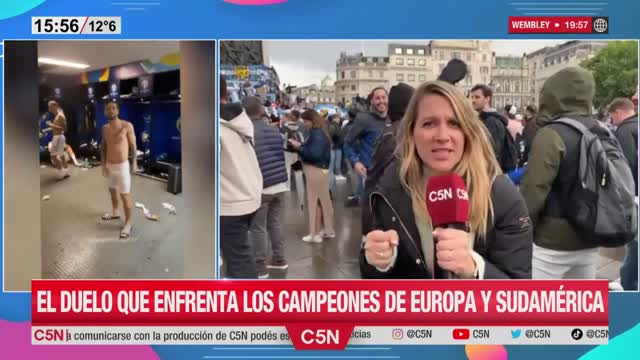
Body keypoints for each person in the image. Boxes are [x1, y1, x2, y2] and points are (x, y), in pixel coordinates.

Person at [360, 81, 532, 279]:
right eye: (429, 123)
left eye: (454, 123)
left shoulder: (501, 195)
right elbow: (374, 283)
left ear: (468, 132)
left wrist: (474, 268)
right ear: (412, 132)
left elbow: (519, 297)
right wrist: (377, 261)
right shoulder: (391, 188)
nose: (442, 136)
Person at [520, 67, 603, 280]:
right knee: (581, 306)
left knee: (538, 306)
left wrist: (521, 229)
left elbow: (534, 189)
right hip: (591, 235)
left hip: (552, 242)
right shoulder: (602, 129)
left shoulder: (551, 133)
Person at [219, 76, 263, 278]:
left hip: (229, 204)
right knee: (237, 256)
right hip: (248, 197)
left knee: (239, 260)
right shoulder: (238, 120)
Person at [243, 97, 290, 279]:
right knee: (275, 223)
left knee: (258, 228)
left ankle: (260, 267)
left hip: (262, 186)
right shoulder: (274, 130)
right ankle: (279, 259)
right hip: (279, 184)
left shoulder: (247, 131)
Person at [362, 82, 415, 235]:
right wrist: (368, 231)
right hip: (394, 219)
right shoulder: (395, 137)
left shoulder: (403, 132)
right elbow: (373, 186)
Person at [288, 109, 335, 243]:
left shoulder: (316, 134)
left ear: (311, 120)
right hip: (322, 170)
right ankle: (327, 230)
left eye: (305, 121)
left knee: (314, 203)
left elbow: (314, 154)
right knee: (323, 202)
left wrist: (299, 148)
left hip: (314, 170)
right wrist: (302, 146)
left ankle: (314, 234)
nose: (304, 124)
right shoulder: (321, 132)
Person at [608, 97, 638, 291]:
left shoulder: (625, 131)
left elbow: (624, 167)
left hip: (634, 195)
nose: (611, 121)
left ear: (619, 112)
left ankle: (628, 282)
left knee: (634, 242)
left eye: (612, 116)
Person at [343, 87, 389, 206]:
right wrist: (355, 162)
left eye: (383, 97)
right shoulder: (363, 119)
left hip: (389, 174)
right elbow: (347, 142)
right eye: (377, 98)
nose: (381, 101)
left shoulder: (393, 118)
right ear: (372, 101)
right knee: (371, 212)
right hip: (370, 174)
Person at [99, 101, 138, 239]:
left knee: (125, 195)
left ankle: (128, 223)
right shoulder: (105, 128)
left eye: (113, 108)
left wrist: (134, 162)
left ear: (118, 110)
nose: (111, 110)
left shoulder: (127, 126)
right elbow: (102, 147)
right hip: (110, 165)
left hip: (122, 166)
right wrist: (103, 164)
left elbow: (133, 146)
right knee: (112, 191)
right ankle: (115, 212)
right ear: (105, 112)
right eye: (108, 109)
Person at [470, 84, 509, 170]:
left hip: (488, 173)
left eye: (477, 97)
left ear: (487, 99)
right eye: (472, 97)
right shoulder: (483, 119)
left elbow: (492, 152)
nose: (473, 100)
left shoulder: (492, 121)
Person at [47, 100, 70, 179]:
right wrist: (50, 128)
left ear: (55, 106)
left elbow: (64, 128)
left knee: (53, 156)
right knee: (62, 156)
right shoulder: (57, 116)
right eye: (49, 107)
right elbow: (57, 127)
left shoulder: (60, 116)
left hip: (59, 137)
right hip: (58, 137)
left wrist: (51, 125)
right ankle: (66, 172)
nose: (49, 109)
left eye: (50, 107)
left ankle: (62, 172)